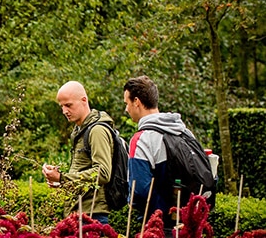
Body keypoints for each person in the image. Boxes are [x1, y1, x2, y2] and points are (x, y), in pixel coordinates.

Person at [122, 75, 207, 229]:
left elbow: (139, 190)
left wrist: (132, 204)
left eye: (127, 103)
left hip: (157, 225)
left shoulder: (142, 139)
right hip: (190, 224)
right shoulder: (184, 132)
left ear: (137, 102)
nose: (126, 109)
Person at [42, 81, 116, 224]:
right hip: (78, 212)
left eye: (68, 105)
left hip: (92, 214)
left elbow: (103, 173)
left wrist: (63, 178)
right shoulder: (79, 130)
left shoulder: (97, 131)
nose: (64, 111)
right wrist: (61, 181)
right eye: (61, 106)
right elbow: (83, 170)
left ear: (84, 100)